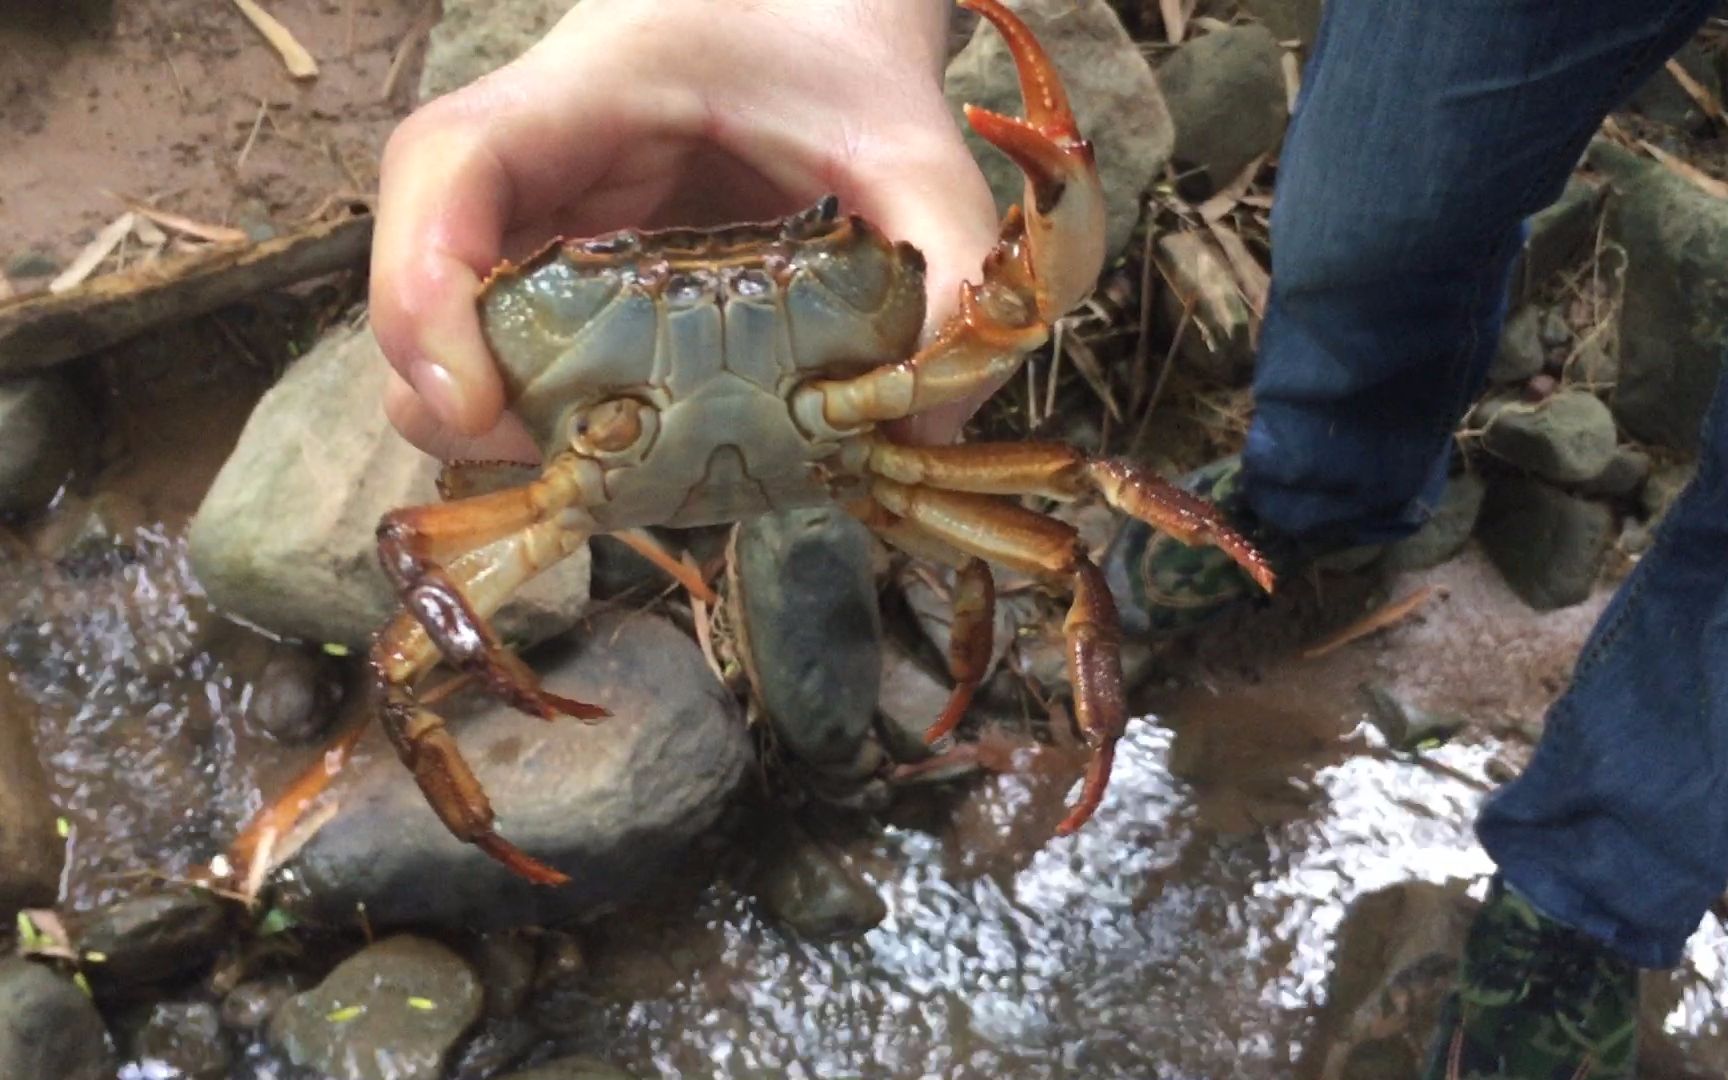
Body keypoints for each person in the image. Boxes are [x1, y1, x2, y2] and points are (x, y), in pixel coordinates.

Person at [369, 1, 1728, 1075]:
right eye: (615, 283)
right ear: (516, 296)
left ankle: (1598, 899)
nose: (713, 304)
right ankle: (1314, 499)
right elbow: (416, 560)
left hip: (858, 432)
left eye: (810, 263)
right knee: (1379, 207)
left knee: (1065, 541)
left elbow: (1039, 395)